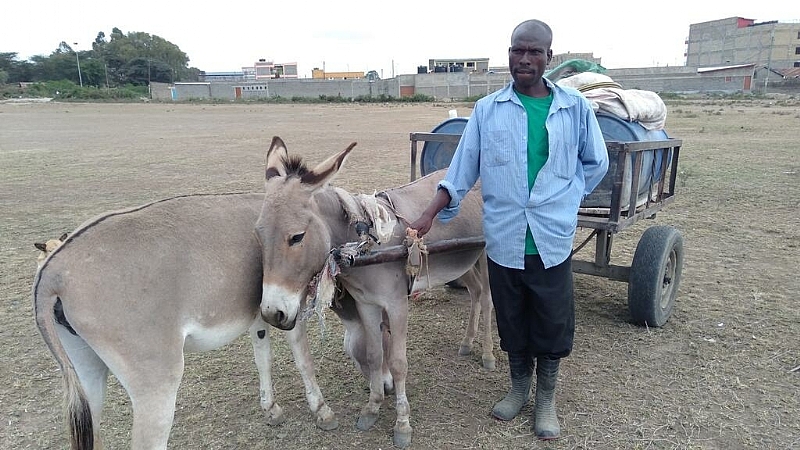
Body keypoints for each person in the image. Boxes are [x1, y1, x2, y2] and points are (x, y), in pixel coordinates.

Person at [408, 19, 609, 440]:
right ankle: (519, 389)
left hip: (551, 239)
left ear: (549, 58)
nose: (525, 59)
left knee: (552, 321)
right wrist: (428, 215)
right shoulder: (488, 110)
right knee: (513, 319)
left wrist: (567, 198)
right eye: (518, 50)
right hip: (504, 238)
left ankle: (546, 399)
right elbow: (461, 170)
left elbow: (596, 162)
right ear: (509, 54)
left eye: (534, 52)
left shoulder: (574, 108)